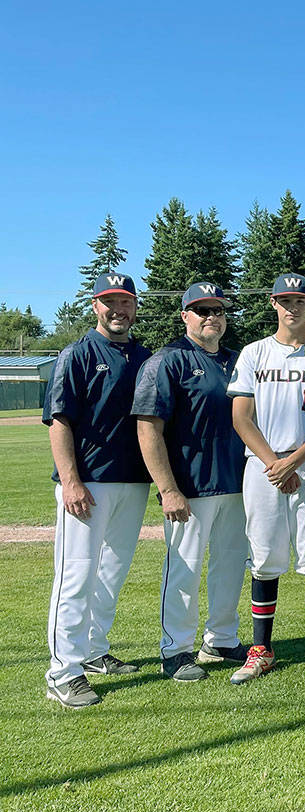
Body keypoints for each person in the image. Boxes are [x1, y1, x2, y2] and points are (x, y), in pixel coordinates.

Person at [43, 271, 152, 708]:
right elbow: (59, 421)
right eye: (109, 301)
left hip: (132, 481)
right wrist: (70, 481)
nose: (118, 309)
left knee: (111, 572)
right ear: (95, 306)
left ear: (135, 307)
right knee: (76, 574)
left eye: (125, 301)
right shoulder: (77, 354)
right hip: (87, 484)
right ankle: (62, 671)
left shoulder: (144, 357)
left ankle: (93, 650)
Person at [228, 273, 305, 685]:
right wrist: (275, 463)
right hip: (263, 466)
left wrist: (292, 461)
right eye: (285, 300)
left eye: (301, 300)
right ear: (273, 303)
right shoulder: (254, 352)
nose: (293, 307)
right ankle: (261, 649)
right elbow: (241, 416)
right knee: (264, 557)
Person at [133, 282, 249, 682]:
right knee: (183, 569)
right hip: (189, 486)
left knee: (230, 566)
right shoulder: (168, 361)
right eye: (201, 310)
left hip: (236, 482)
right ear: (184, 315)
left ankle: (220, 638)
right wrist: (168, 489)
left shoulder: (238, 360)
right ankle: (176, 649)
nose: (211, 317)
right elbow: (148, 428)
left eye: (217, 310)